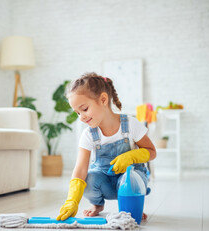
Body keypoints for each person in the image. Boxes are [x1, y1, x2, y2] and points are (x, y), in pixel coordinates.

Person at [56, 72, 156, 221]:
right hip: (106, 183)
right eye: (77, 113)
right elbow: (81, 170)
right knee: (88, 180)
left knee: (128, 180)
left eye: (84, 109)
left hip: (130, 179)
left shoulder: (129, 124)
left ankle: (131, 208)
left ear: (103, 99)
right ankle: (98, 205)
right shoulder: (89, 135)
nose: (81, 117)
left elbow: (152, 152)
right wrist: (72, 200)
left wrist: (131, 156)